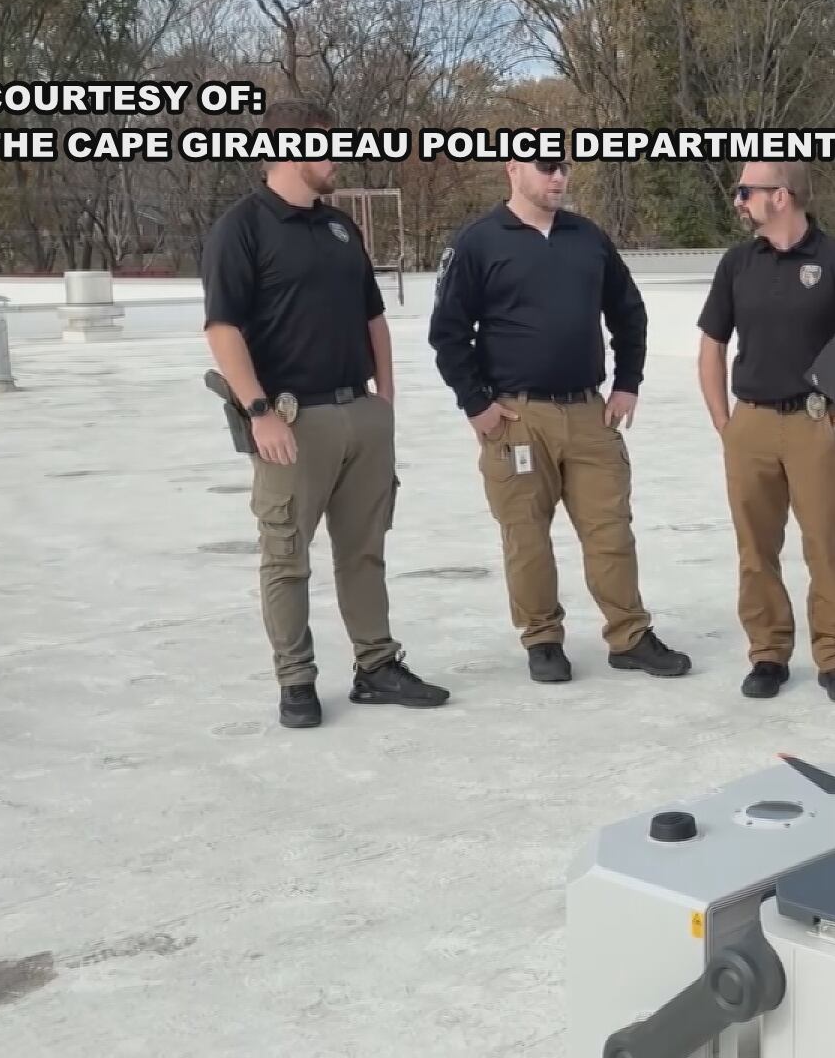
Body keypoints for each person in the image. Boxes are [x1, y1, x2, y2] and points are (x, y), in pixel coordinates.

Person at [200, 98, 450, 729]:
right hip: (291, 420)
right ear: (282, 150)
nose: (336, 153)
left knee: (364, 549)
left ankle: (376, 666)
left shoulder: (342, 228)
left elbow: (373, 316)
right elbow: (223, 328)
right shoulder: (243, 228)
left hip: (359, 414)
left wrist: (385, 398)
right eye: (322, 143)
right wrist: (258, 411)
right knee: (286, 555)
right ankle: (297, 680)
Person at [427, 157, 692, 683]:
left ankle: (630, 635)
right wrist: (476, 404)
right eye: (546, 167)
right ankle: (543, 639)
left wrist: (628, 382)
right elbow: (449, 331)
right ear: (513, 170)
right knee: (526, 535)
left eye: (564, 167)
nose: (558, 178)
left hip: (590, 412)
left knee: (610, 529)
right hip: (517, 417)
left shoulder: (587, 237)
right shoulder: (479, 240)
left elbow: (628, 311)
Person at [697, 162, 835, 703]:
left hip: (814, 420)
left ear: (781, 196)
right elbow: (712, 345)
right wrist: (724, 424)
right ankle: (767, 654)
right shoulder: (736, 263)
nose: (738, 201)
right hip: (750, 422)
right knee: (755, 548)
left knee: (828, 545)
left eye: (745, 192)